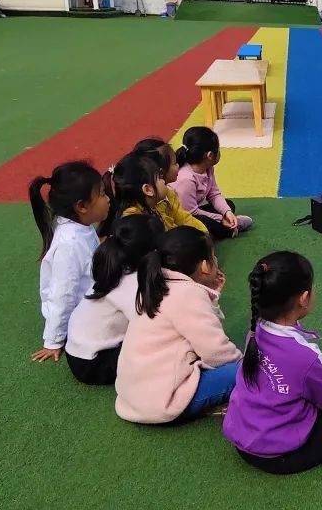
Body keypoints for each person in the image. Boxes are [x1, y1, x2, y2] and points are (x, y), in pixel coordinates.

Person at [224, 252, 322, 474]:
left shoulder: (255, 330)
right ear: (304, 298)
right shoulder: (304, 355)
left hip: (242, 439)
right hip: (280, 456)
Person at [114, 227, 241, 423]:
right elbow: (216, 352)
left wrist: (211, 298)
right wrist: (245, 363)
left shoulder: (156, 283)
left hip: (134, 397)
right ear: (205, 266)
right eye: (213, 257)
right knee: (244, 372)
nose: (217, 262)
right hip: (162, 403)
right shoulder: (188, 293)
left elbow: (204, 331)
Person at [27, 161, 110, 363]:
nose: (108, 199)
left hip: (89, 301)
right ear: (81, 206)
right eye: (102, 194)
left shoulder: (81, 226)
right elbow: (62, 293)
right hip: (82, 316)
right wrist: (53, 340)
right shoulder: (69, 244)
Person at [64, 215, 163, 385]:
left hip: (79, 352)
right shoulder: (132, 284)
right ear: (152, 252)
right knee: (163, 349)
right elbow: (150, 324)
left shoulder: (115, 270)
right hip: (93, 363)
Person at [171, 126, 254, 241]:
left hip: (196, 209)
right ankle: (229, 229)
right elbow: (190, 213)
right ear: (210, 155)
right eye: (218, 149)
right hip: (184, 218)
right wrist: (220, 218)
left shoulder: (208, 167)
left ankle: (227, 224)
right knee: (205, 226)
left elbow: (214, 194)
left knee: (229, 205)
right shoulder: (186, 179)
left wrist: (227, 213)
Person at [110, 153, 207, 233]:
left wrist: (203, 234)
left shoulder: (155, 204)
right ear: (148, 190)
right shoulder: (136, 223)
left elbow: (184, 219)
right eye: (160, 177)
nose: (164, 179)